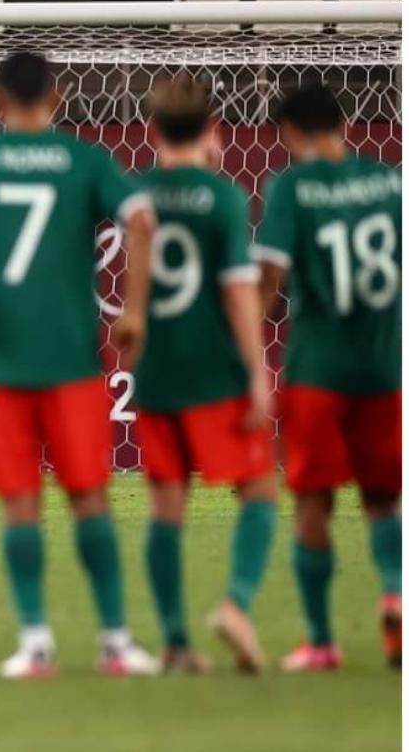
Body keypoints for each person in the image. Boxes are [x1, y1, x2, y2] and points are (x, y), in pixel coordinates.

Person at [0, 51, 160, 678]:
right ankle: (116, 643)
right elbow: (143, 218)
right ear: (58, 96)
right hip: (72, 362)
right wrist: (136, 310)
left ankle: (35, 643)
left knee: (20, 504)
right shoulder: (85, 160)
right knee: (90, 500)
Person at [132, 75, 277, 674]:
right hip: (213, 370)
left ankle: (173, 643)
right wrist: (257, 368)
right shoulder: (222, 197)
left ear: (152, 130)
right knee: (260, 492)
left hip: (156, 368)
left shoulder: (136, 195)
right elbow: (239, 292)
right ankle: (236, 605)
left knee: (167, 506)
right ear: (213, 129)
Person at [254, 84, 401, 671]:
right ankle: (395, 593)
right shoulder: (392, 183)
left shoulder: (292, 186)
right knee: (385, 498)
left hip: (318, 366)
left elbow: (270, 278)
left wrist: (243, 344)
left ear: (289, 132)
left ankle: (320, 642)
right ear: (342, 123)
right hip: (386, 365)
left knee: (314, 500)